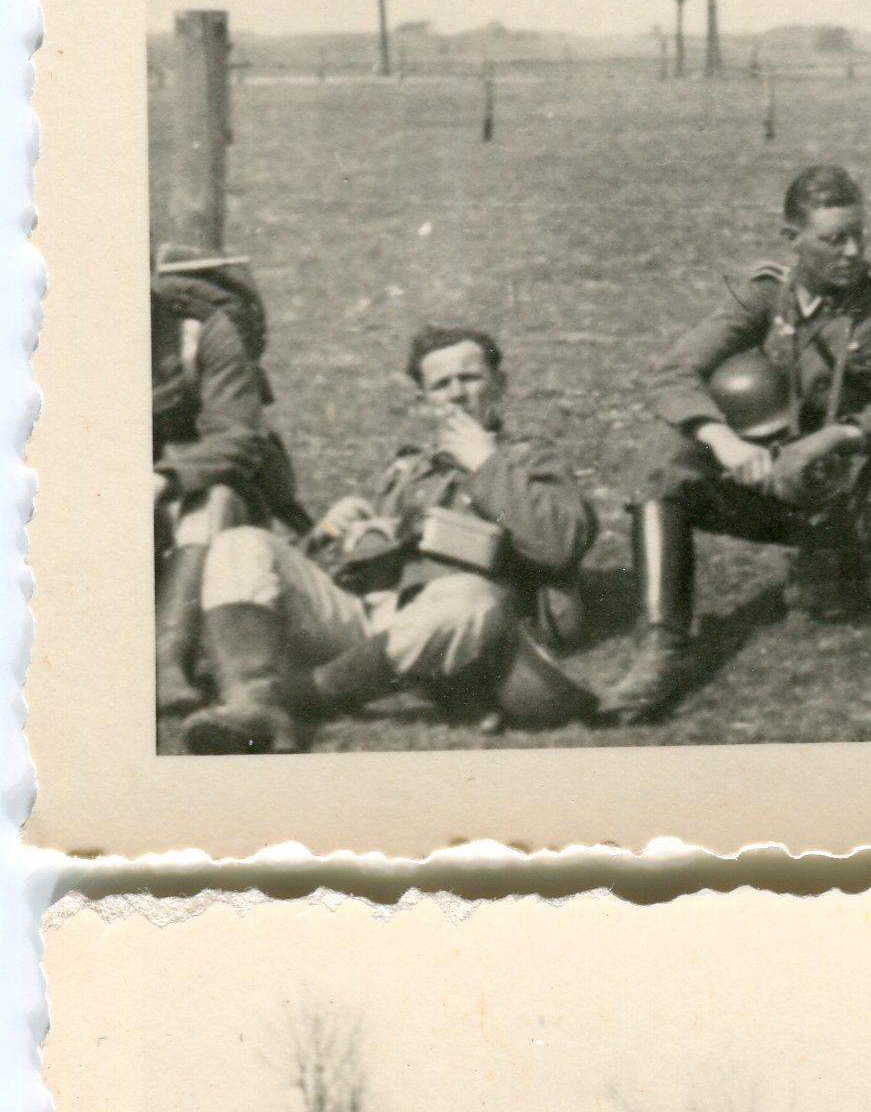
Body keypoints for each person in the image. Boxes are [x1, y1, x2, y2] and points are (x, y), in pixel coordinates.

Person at [602, 164, 871, 722]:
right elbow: (673, 374)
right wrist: (723, 441)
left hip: (858, 496)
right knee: (664, 454)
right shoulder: (767, 295)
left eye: (859, 235)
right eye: (834, 239)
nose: (853, 252)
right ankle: (660, 648)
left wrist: (834, 436)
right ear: (793, 241)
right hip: (775, 494)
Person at [182, 321, 597, 753]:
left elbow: (561, 543)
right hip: (371, 626)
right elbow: (338, 575)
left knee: (471, 597)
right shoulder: (408, 470)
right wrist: (329, 537)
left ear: (500, 384)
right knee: (242, 542)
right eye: (441, 385)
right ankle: (250, 698)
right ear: (425, 400)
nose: (457, 393)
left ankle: (294, 701)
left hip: (457, 630)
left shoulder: (528, 458)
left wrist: (486, 464)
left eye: (470, 378)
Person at [150, 245, 308, 727]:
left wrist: (165, 477)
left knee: (214, 498)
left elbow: (238, 438)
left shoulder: (199, 334)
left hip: (178, 509)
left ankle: (165, 656)